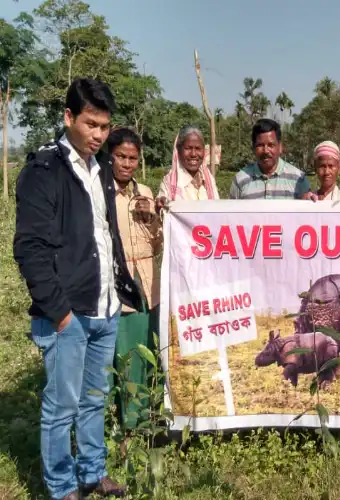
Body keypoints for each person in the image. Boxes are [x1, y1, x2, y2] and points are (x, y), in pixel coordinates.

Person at [13, 78, 142, 500]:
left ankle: (91, 473)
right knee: (61, 407)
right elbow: (29, 249)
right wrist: (61, 314)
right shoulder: (44, 170)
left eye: (104, 127)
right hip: (67, 313)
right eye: (91, 125)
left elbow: (106, 235)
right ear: (69, 117)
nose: (99, 135)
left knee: (94, 398)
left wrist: (120, 290)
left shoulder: (100, 168)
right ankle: (62, 488)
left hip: (104, 307)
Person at [106, 127, 162, 430]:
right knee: (123, 355)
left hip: (147, 283)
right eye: (121, 157)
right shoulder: (102, 194)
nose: (127, 164)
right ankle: (123, 422)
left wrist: (153, 217)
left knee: (145, 353)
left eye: (133, 159)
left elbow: (157, 244)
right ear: (110, 157)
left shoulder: (146, 194)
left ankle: (142, 418)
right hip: (118, 284)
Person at [229, 118, 316, 200]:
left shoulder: (298, 179)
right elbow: (231, 214)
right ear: (253, 148)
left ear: (280, 147)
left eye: (271, 145)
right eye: (260, 145)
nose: (266, 151)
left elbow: (307, 213)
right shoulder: (240, 180)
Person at [156, 125, 220, 209]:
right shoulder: (169, 183)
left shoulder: (209, 180)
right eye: (188, 148)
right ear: (178, 150)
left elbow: (218, 211)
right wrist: (161, 206)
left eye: (198, 148)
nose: (193, 154)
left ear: (204, 151)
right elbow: (163, 215)